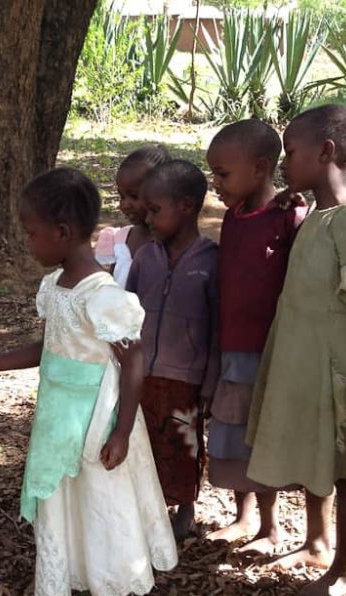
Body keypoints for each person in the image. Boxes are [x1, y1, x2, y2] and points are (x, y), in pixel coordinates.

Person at [0, 167, 178, 596]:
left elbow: (133, 361)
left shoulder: (102, 296)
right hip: (59, 415)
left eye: (31, 233)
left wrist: (122, 431)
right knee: (74, 498)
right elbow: (49, 348)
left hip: (97, 418)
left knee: (105, 501)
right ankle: (85, 573)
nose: (28, 243)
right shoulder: (56, 286)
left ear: (62, 233)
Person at [244, 105, 346, 596]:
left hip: (338, 361)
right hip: (302, 352)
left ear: (325, 152)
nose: (285, 163)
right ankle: (316, 541)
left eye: (291, 153)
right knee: (318, 449)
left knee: (345, 463)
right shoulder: (318, 214)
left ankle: (344, 567)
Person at [204, 119, 306, 556]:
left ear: (261, 168)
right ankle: (242, 515)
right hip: (231, 345)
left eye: (223, 174)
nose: (216, 183)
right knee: (229, 429)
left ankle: (270, 525)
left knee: (258, 434)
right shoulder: (233, 217)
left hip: (267, 349)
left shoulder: (288, 216)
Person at [126, 160, 219, 542]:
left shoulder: (211, 261)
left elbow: (217, 326)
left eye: (154, 210)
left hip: (186, 375)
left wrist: (211, 378)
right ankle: (144, 507)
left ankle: (185, 510)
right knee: (143, 440)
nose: (147, 218)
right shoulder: (145, 257)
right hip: (141, 372)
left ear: (186, 206)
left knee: (183, 442)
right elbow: (127, 313)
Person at [95, 145, 172, 288]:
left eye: (134, 196)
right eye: (122, 196)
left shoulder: (172, 245)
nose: (124, 205)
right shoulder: (118, 240)